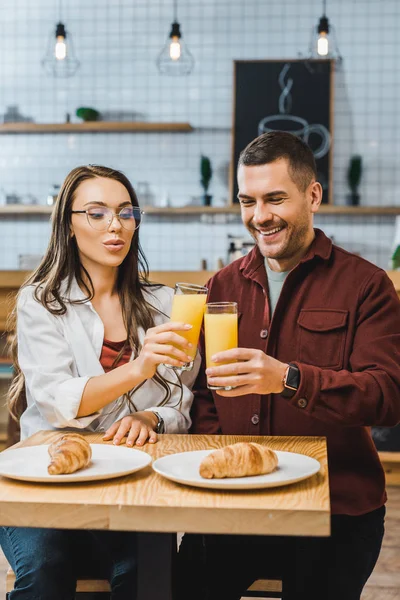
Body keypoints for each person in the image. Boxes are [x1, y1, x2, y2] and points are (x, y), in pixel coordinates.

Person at [176, 131, 400, 600]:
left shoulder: (367, 285)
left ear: (313, 195)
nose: (260, 217)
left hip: (336, 509)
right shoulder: (221, 284)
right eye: (248, 200)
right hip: (235, 504)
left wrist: (288, 379)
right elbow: (202, 393)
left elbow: (387, 395)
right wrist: (225, 460)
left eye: (275, 199)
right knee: (174, 589)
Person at [1, 164, 199, 600]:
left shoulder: (166, 304)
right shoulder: (41, 302)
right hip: (45, 486)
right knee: (45, 571)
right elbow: (56, 403)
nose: (116, 225)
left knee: (148, 577)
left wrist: (151, 416)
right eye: (97, 213)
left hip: (135, 483)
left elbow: (182, 402)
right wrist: (138, 368)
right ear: (68, 226)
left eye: (127, 213)